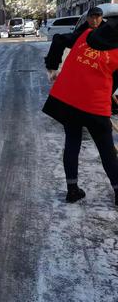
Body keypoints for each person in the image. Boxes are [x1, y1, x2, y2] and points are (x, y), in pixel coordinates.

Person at [42, 15, 118, 205]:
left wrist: (52, 66)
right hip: (94, 106)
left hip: (69, 101)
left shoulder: (84, 35)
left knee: (72, 143)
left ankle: (72, 190)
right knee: (107, 151)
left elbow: (59, 39)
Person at [45, 7, 104, 82]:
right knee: (58, 38)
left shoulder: (107, 29)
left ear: (101, 18)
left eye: (97, 18)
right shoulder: (84, 27)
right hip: (84, 51)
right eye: (92, 17)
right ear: (87, 18)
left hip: (101, 58)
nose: (94, 20)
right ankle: (52, 68)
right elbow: (74, 36)